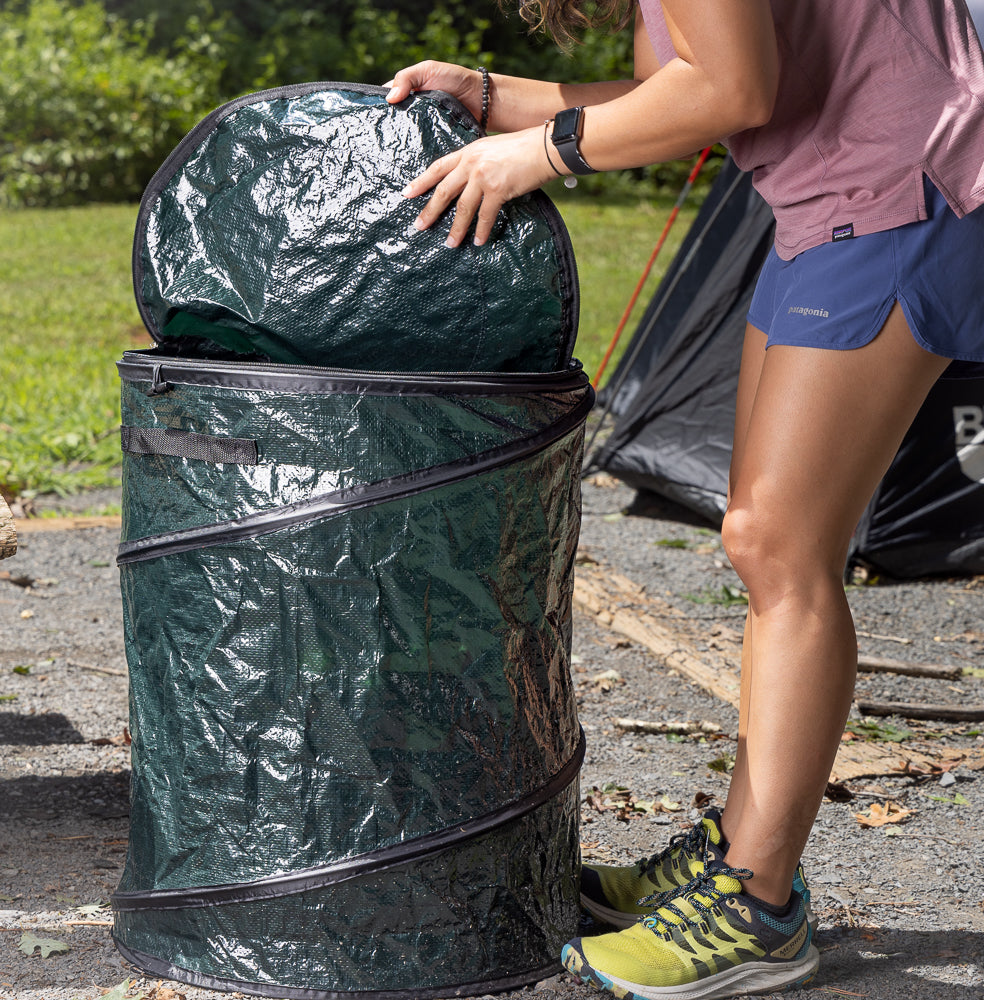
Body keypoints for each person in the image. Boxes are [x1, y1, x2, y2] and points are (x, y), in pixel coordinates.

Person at [386, 2, 984, 998]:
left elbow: (730, 92)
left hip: (904, 187)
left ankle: (754, 906)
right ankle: (740, 856)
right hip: (820, 198)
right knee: (765, 538)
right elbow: (678, 92)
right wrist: (493, 101)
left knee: (777, 544)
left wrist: (534, 155)